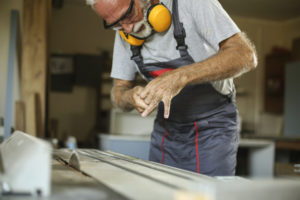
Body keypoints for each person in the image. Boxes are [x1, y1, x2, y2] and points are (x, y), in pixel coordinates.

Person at [88, 0, 257, 176]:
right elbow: (118, 93)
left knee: (207, 193)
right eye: (115, 25)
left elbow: (245, 55)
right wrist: (129, 97)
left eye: (128, 15)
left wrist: (180, 76)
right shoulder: (124, 29)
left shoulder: (192, 3)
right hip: (167, 130)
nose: (127, 29)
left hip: (212, 128)